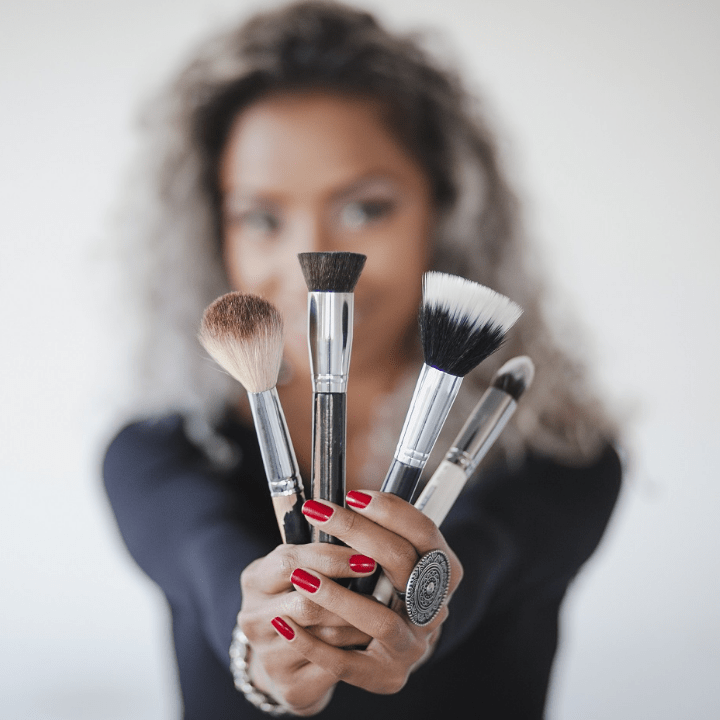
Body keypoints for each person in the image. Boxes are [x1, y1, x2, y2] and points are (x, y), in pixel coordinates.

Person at [102, 1, 623, 717]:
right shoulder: (157, 456)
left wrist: (423, 607)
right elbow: (209, 557)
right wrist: (262, 643)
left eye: (365, 208)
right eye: (260, 217)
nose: (307, 258)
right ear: (210, 229)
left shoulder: (563, 463)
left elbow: (489, 551)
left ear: (446, 210)